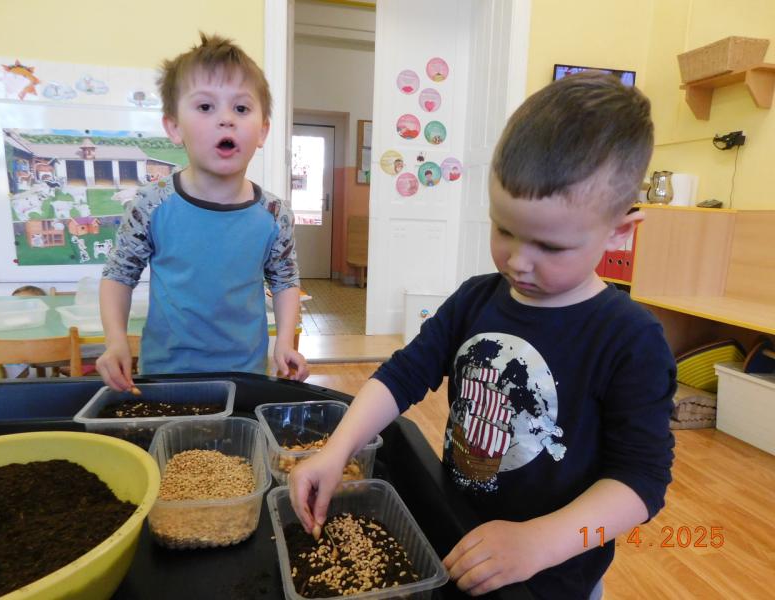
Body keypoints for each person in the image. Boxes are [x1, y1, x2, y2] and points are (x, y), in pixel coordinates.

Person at [288, 72, 675, 600]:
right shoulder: (476, 298)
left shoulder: (630, 338)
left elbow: (642, 483)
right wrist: (337, 449)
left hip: (554, 579)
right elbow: (402, 375)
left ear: (619, 232)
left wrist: (538, 543)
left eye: (550, 246)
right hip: (457, 535)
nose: (518, 261)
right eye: (503, 229)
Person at [98, 33, 308, 391]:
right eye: (206, 107)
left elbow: (285, 282)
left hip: (245, 377)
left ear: (262, 131)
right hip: (164, 375)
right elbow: (119, 275)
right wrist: (115, 341)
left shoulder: (274, 214)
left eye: (241, 109)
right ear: (174, 127)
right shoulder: (150, 205)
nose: (226, 119)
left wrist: (285, 342)